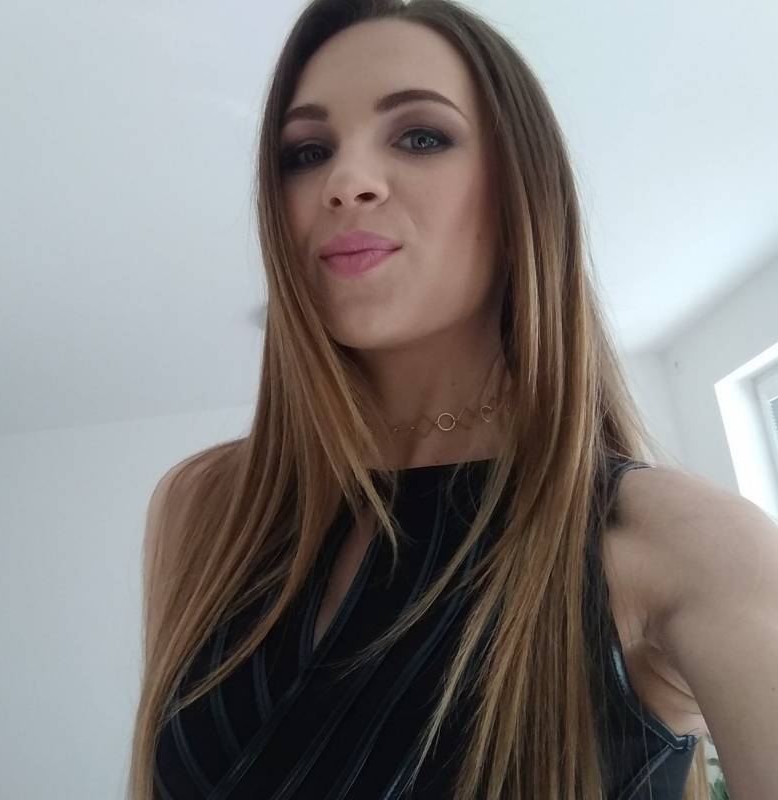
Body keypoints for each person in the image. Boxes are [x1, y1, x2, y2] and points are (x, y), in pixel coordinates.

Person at [128, 1, 778, 798]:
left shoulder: (682, 544)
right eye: (307, 152)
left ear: (522, 192)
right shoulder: (205, 509)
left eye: (421, 137)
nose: (345, 182)